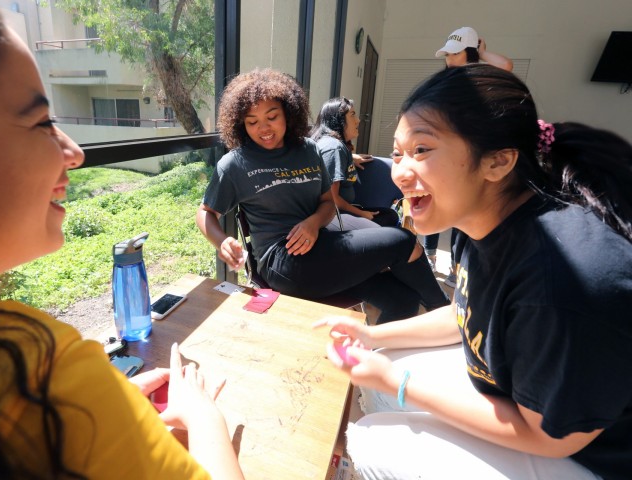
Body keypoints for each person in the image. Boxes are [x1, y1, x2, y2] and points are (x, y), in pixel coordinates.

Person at [0, 2, 245, 478]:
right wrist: (204, 416)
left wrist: (108, 411)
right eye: (41, 122)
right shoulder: (43, 370)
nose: (74, 152)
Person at [316, 64, 632, 479]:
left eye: (422, 150)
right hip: (519, 401)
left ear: (497, 162)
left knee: (372, 438)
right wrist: (371, 334)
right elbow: (465, 311)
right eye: (398, 152)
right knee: (378, 369)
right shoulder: (479, 218)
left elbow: (550, 435)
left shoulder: (561, 279)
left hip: (586, 458)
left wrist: (398, 381)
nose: (399, 172)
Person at [196, 68, 448, 323]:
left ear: (288, 112)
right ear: (241, 124)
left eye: (272, 116)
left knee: (402, 299)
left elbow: (328, 202)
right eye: (252, 122)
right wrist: (222, 241)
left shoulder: (308, 150)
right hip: (283, 262)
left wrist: (313, 223)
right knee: (402, 240)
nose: (264, 128)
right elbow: (206, 213)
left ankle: (373, 355)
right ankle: (448, 316)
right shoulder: (235, 164)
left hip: (323, 249)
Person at [425, 26, 514, 283]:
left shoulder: (480, 78)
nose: (450, 59)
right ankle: (430, 257)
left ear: (470, 52)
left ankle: (456, 269)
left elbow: (506, 65)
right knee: (435, 202)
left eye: (455, 53)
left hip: (470, 157)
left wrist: (483, 54)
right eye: (447, 54)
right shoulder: (444, 83)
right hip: (443, 155)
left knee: (463, 213)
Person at [310, 97, 400, 230]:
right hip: (332, 215)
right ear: (338, 119)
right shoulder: (334, 148)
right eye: (352, 115)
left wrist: (350, 159)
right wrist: (362, 214)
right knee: (385, 226)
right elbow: (332, 200)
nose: (358, 120)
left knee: (390, 215)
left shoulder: (333, 145)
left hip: (342, 210)